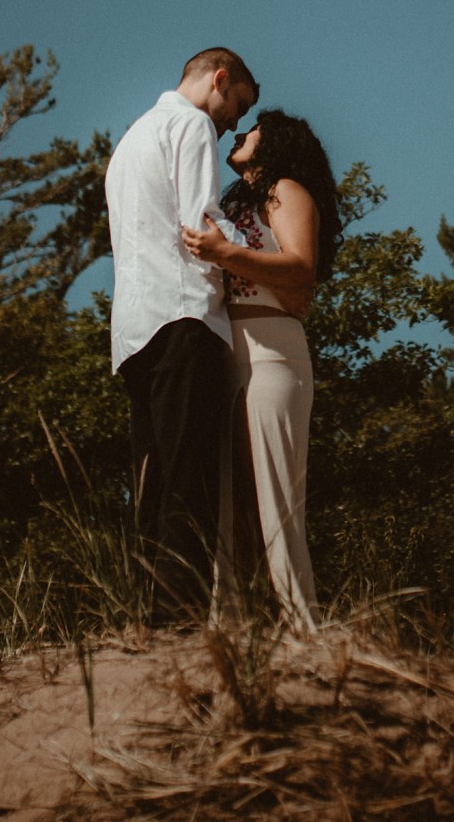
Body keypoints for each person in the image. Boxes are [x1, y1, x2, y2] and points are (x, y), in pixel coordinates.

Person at [104, 47, 259, 622]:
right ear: (219, 80)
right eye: (235, 107)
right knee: (189, 482)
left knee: (151, 482)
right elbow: (202, 222)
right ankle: (180, 621)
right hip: (186, 318)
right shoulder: (191, 124)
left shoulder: (129, 142)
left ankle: (143, 615)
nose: (232, 126)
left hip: (133, 332)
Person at [181, 108, 340, 631]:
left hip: (272, 350)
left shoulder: (286, 191)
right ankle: (230, 631)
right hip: (231, 354)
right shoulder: (238, 202)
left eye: (253, 129)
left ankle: (304, 630)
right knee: (231, 509)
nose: (241, 132)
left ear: (274, 143)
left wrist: (226, 253)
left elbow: (301, 267)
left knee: (276, 501)